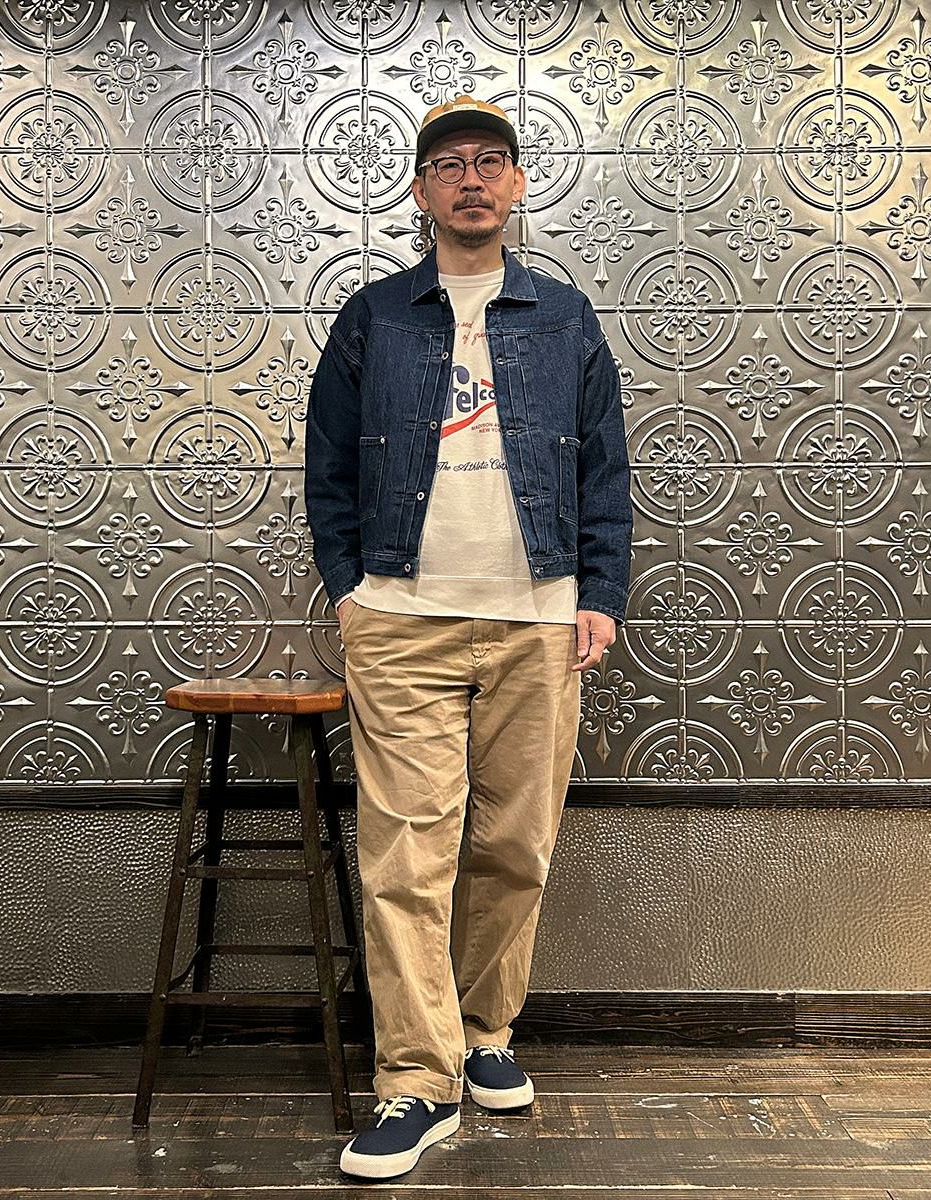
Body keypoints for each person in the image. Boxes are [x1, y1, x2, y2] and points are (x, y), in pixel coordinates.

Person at [304, 94, 633, 1180]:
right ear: (421, 191)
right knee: (405, 852)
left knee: (514, 845)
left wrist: (600, 591)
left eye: (492, 160)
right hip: (402, 620)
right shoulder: (373, 317)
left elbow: (604, 465)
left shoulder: (565, 317)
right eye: (450, 164)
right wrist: (351, 591)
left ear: (519, 185)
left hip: (538, 616)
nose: (473, 178)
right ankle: (416, 1078)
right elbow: (328, 464)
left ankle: (485, 1032)